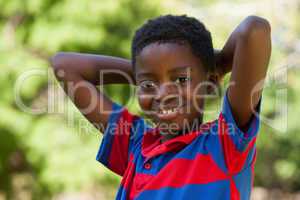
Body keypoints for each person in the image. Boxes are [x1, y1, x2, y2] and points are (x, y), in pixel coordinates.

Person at [50, 14, 271, 200]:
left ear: (210, 83)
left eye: (181, 80)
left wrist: (219, 64)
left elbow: (254, 31)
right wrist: (143, 70)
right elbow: (63, 65)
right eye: (148, 84)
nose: (163, 94)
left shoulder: (225, 144)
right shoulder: (135, 144)